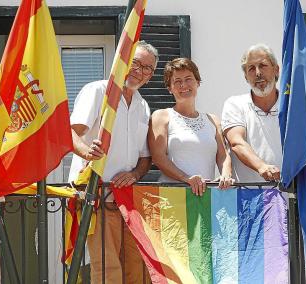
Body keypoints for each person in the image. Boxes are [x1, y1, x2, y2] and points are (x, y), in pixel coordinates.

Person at [68, 41, 158, 284]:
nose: (139, 71)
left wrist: (136, 174)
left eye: (147, 68)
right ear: (122, 62)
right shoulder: (98, 90)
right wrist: (88, 152)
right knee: (107, 268)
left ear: (150, 76)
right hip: (96, 195)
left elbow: (145, 157)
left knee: (137, 268)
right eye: (135, 63)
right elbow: (71, 133)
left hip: (128, 200)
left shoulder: (143, 105)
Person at [149, 58, 234, 195]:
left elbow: (223, 156)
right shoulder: (161, 116)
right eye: (177, 81)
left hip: (206, 197)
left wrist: (226, 175)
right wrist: (186, 179)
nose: (183, 85)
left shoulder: (213, 120)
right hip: (173, 198)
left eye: (188, 79)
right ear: (169, 88)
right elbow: (158, 157)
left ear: (198, 82)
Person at [222, 43, 282, 183]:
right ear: (245, 77)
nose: (258, 73)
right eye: (251, 69)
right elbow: (236, 142)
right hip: (250, 197)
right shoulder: (235, 104)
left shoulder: (292, 105)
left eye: (263, 65)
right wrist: (262, 167)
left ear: (276, 70)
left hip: (290, 194)